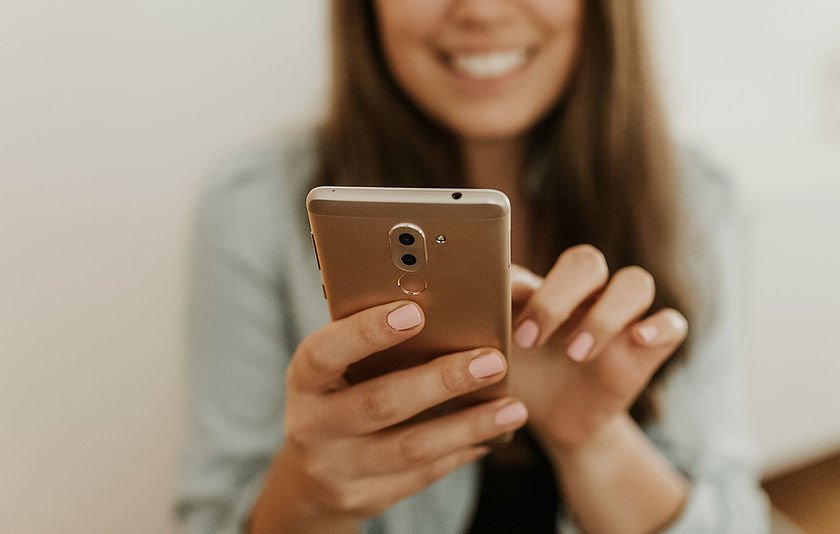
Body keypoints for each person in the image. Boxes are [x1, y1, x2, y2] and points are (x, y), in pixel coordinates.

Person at [177, 1, 771, 532]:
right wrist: (313, 496)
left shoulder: (694, 197)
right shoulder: (254, 207)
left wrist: (594, 440)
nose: (481, 10)